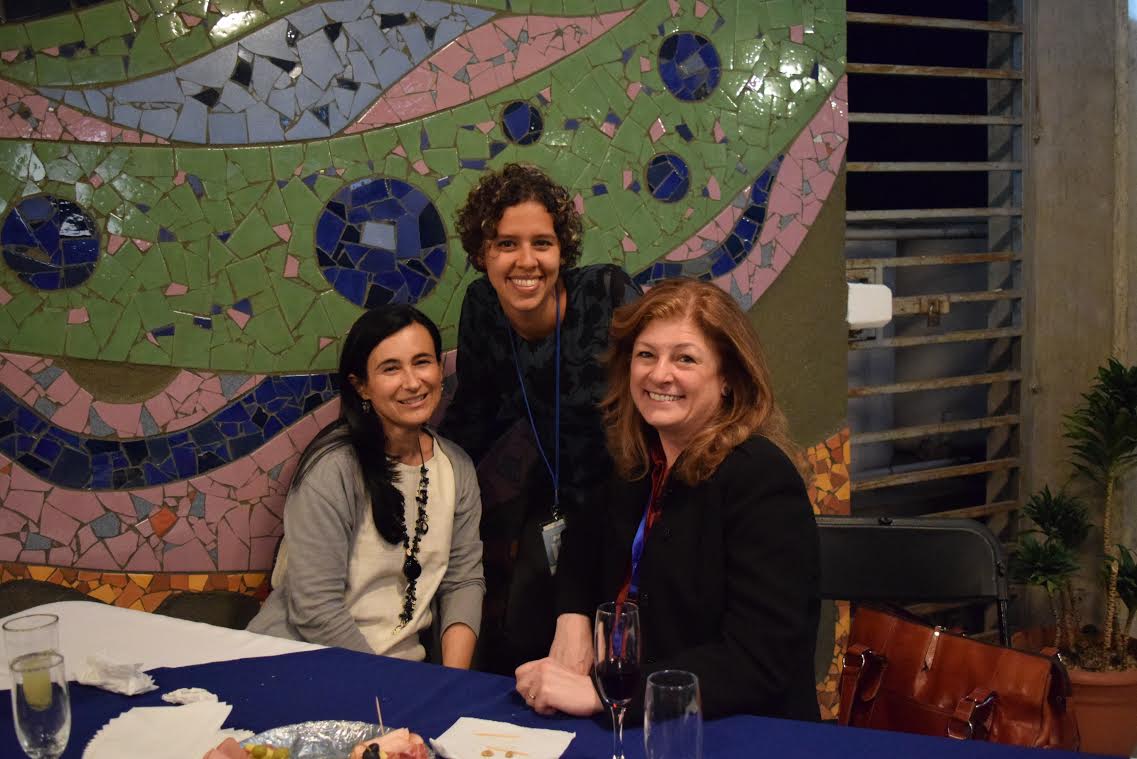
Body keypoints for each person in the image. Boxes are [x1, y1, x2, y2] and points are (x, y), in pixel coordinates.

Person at [515, 278, 820, 721]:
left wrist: (602, 694)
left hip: (734, 729)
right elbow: (581, 548)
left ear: (729, 380)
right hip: (630, 715)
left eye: (685, 358)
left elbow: (757, 660)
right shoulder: (639, 462)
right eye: (646, 355)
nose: (660, 374)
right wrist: (572, 617)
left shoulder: (761, 476)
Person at [440, 163, 640, 673]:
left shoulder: (607, 295)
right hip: (556, 501)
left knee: (616, 653)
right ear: (482, 253)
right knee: (524, 639)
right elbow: (474, 416)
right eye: (506, 243)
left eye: (542, 243)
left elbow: (656, 406)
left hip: (629, 504)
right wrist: (410, 466)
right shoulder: (482, 306)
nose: (525, 261)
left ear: (562, 251)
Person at [247, 305, 484, 667]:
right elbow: (315, 608)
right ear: (362, 386)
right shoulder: (334, 467)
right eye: (391, 368)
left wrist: (452, 681)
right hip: (305, 661)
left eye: (422, 362)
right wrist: (385, 688)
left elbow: (463, 582)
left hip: (404, 675)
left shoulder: (457, 467)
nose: (412, 381)